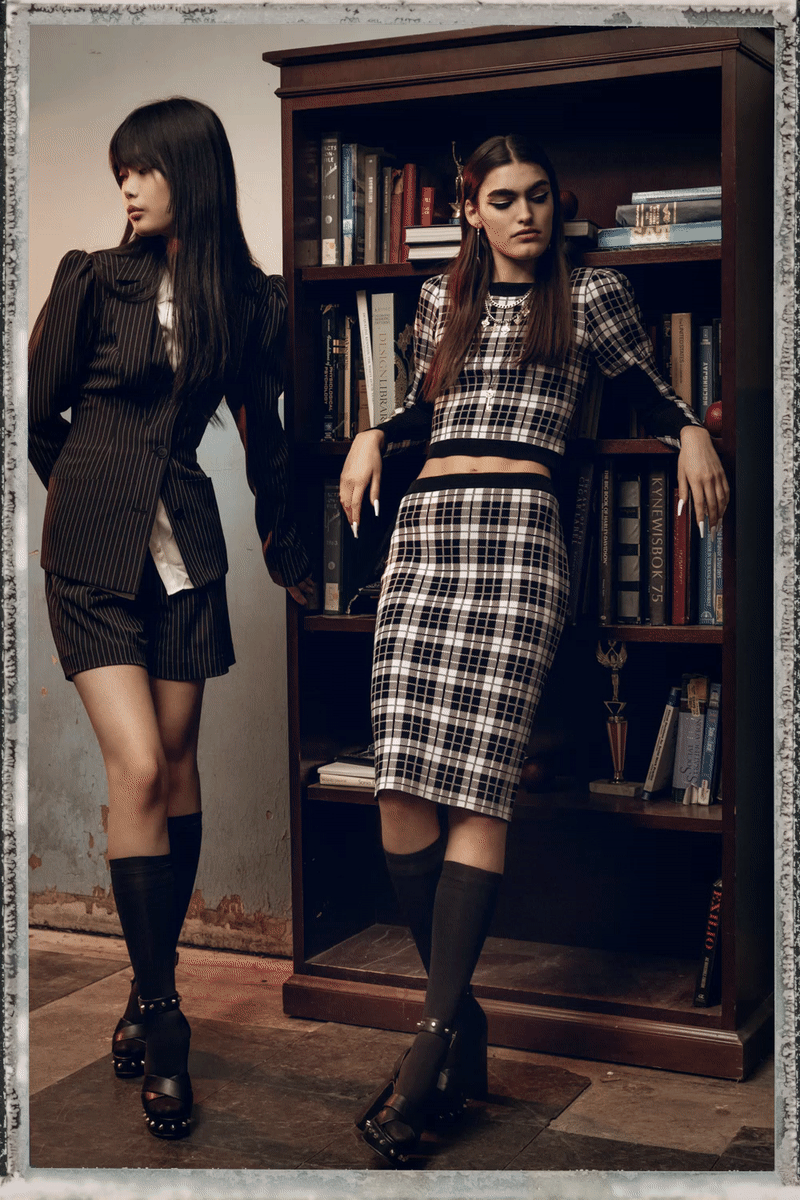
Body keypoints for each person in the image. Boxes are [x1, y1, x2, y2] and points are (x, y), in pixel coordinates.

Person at [340, 133, 729, 1164]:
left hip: (518, 540)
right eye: (501, 199)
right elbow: (428, 407)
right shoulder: (439, 302)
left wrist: (690, 428)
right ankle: (457, 1017)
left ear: (556, 208)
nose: (523, 214)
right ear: (471, 209)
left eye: (538, 197)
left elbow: (648, 388)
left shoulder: (591, 299)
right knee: (398, 788)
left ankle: (430, 1043)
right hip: (425, 537)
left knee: (475, 789)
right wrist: (374, 431)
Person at [28, 97, 313, 1141]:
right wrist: (92, 492)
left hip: (186, 548)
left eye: (142, 171)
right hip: (93, 554)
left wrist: (290, 548)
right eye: (120, 175)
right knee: (140, 769)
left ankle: (149, 986)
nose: (128, 189)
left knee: (180, 765)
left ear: (188, 173)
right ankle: (166, 1016)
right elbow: (37, 413)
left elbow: (271, 433)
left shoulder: (249, 301)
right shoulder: (89, 279)